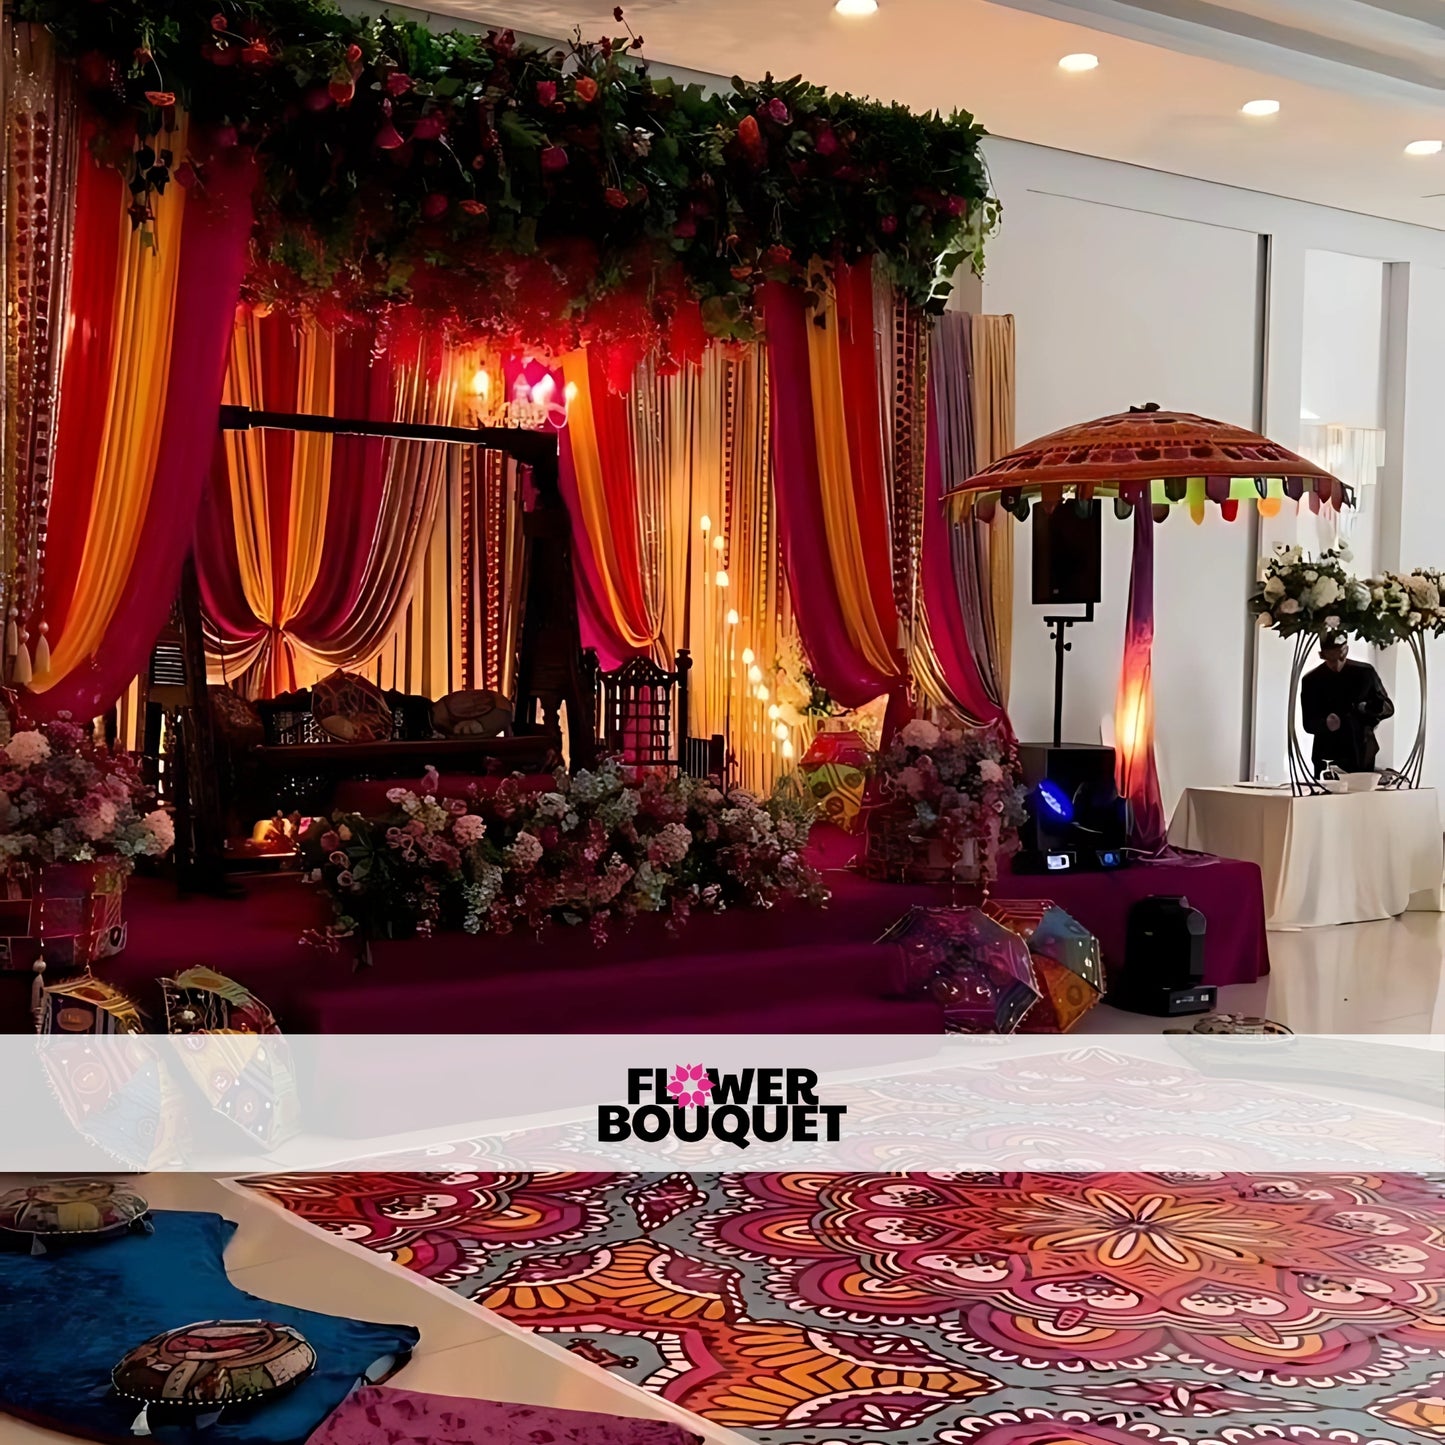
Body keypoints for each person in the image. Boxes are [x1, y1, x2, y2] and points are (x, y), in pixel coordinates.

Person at [1299, 636, 1393, 776]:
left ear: (1346, 650)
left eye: (1340, 656)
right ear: (1322, 655)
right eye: (1331, 658)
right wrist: (1325, 723)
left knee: (1362, 789)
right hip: (1328, 753)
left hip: (1361, 750)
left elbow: (1388, 708)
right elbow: (1308, 723)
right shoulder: (1311, 680)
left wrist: (1367, 708)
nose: (1336, 663)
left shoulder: (1365, 673)